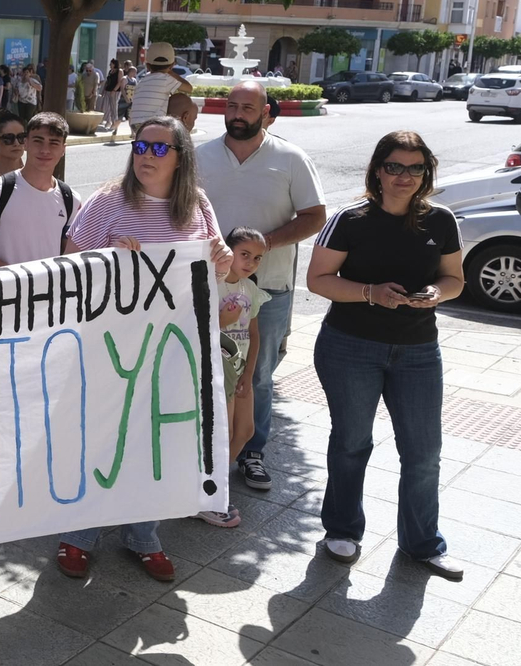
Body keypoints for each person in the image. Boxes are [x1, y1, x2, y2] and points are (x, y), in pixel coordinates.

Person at [55, 116, 231, 582]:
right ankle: (80, 534)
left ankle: (143, 533)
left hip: (173, 350)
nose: (146, 156)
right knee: (104, 438)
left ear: (180, 158)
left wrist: (224, 260)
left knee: (158, 441)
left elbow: (215, 270)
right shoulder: (108, 202)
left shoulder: (196, 204)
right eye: (140, 146)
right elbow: (70, 268)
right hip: (111, 347)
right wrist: (111, 260)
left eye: (158, 149)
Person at [306, 131, 464, 580]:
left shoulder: (441, 220)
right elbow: (319, 278)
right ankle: (341, 530)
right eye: (394, 166)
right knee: (353, 442)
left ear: (426, 173)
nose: (404, 176)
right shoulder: (351, 219)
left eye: (415, 168)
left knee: (423, 451)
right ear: (377, 169)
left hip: (418, 351)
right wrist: (370, 292)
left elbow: (455, 279)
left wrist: (437, 292)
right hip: (350, 347)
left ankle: (422, 544)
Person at [197, 82, 326, 493]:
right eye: (231, 105)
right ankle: (205, 452)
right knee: (202, 371)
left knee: (256, 376)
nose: (237, 113)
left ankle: (251, 452)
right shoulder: (200, 156)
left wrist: (264, 245)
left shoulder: (290, 158)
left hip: (268, 288)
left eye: (247, 107)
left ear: (266, 112)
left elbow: (315, 216)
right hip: (206, 288)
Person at [194, 226, 270, 529]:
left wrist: (249, 375)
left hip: (240, 372)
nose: (250, 262)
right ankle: (207, 496)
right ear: (229, 251)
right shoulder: (214, 283)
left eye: (258, 258)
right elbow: (199, 326)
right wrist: (222, 318)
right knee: (219, 437)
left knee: (245, 431)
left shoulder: (251, 288)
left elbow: (253, 334)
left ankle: (212, 487)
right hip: (216, 369)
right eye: (245, 254)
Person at [0, 112, 79, 270]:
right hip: (3, 291)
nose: (45, 150)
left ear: (63, 149)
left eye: (54, 143)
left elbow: (70, 254)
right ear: (26, 143)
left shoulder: (71, 199)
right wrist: (15, 277)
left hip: (49, 292)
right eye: (38, 141)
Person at [129, 42, 191, 125]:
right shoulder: (166, 79)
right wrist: (172, 73)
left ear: (147, 66)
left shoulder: (143, 80)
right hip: (152, 124)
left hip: (134, 123)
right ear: (172, 65)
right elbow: (189, 88)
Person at [101, 63, 126, 134]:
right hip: (108, 91)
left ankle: (114, 123)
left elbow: (120, 82)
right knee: (105, 107)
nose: (110, 65)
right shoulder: (110, 71)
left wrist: (114, 90)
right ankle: (108, 121)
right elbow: (107, 82)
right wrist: (103, 90)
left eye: (111, 64)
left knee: (113, 107)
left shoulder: (119, 71)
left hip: (115, 92)